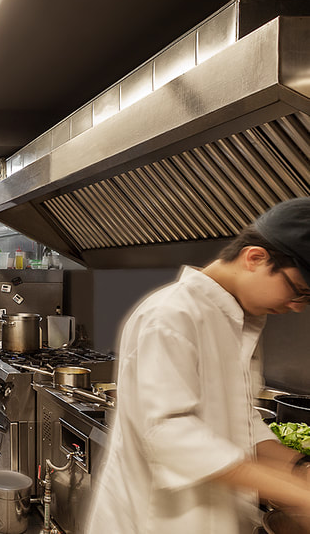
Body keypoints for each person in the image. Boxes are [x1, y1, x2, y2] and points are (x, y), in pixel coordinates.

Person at [86, 198, 310, 534]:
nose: (297, 307)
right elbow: (168, 434)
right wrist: (296, 494)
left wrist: (298, 466)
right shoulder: (171, 315)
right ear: (255, 258)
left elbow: (241, 420)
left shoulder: (239, 321)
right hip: (154, 523)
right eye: (299, 291)